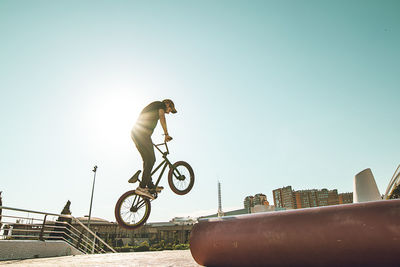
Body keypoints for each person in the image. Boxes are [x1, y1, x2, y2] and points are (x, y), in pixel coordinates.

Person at [131, 99, 177, 199]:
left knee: (147, 160)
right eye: (170, 109)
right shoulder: (160, 105)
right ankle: (142, 187)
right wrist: (166, 134)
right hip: (141, 134)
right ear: (167, 104)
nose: (169, 112)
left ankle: (149, 185)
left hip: (137, 134)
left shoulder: (154, 107)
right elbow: (162, 117)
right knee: (151, 159)